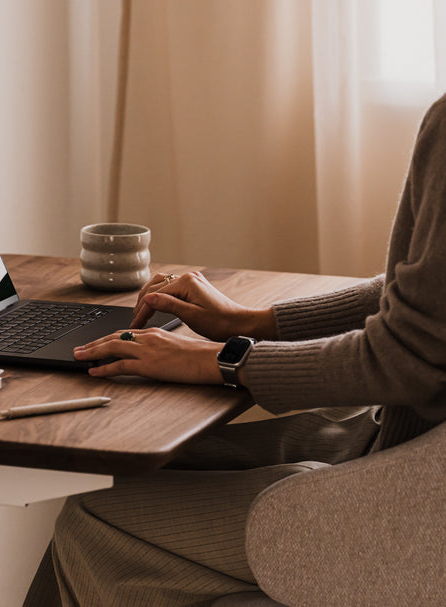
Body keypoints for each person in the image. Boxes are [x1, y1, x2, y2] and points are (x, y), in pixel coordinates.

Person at [23, 92, 446, 607]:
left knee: (93, 514)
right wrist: (252, 322)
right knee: (139, 465)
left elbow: (404, 359)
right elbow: (420, 297)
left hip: (418, 509)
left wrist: (219, 361)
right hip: (410, 446)